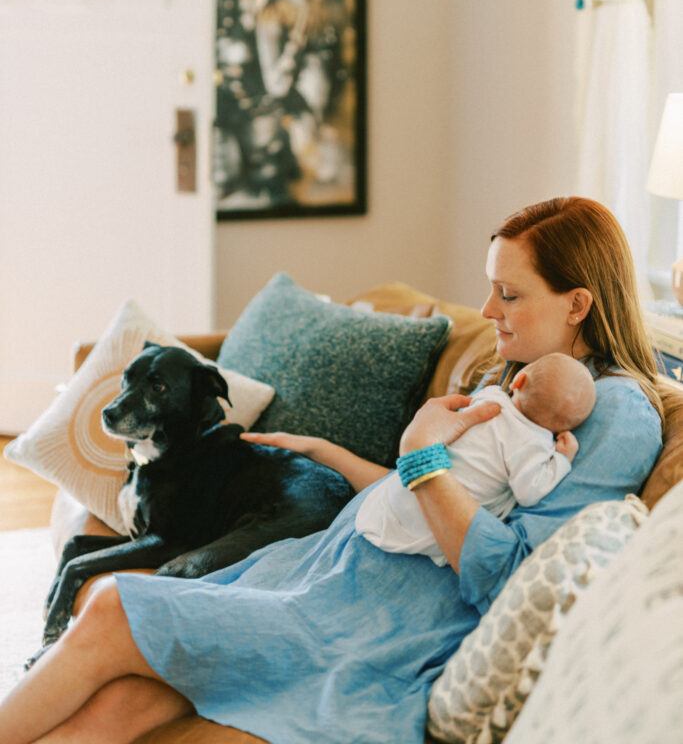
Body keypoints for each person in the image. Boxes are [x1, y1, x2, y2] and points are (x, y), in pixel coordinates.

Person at [0, 197, 665, 744]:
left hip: (373, 621)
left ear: (576, 304)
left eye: (508, 294)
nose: (488, 310)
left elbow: (504, 571)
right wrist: (332, 453)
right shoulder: (519, 382)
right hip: (324, 568)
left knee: (116, 604)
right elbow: (429, 504)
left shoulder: (613, 414)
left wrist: (423, 456)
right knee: (126, 701)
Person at [355, 352, 596, 564]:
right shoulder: (534, 446)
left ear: (518, 380)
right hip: (434, 523)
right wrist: (563, 459)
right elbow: (530, 492)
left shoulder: (490, 396)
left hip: (404, 495)